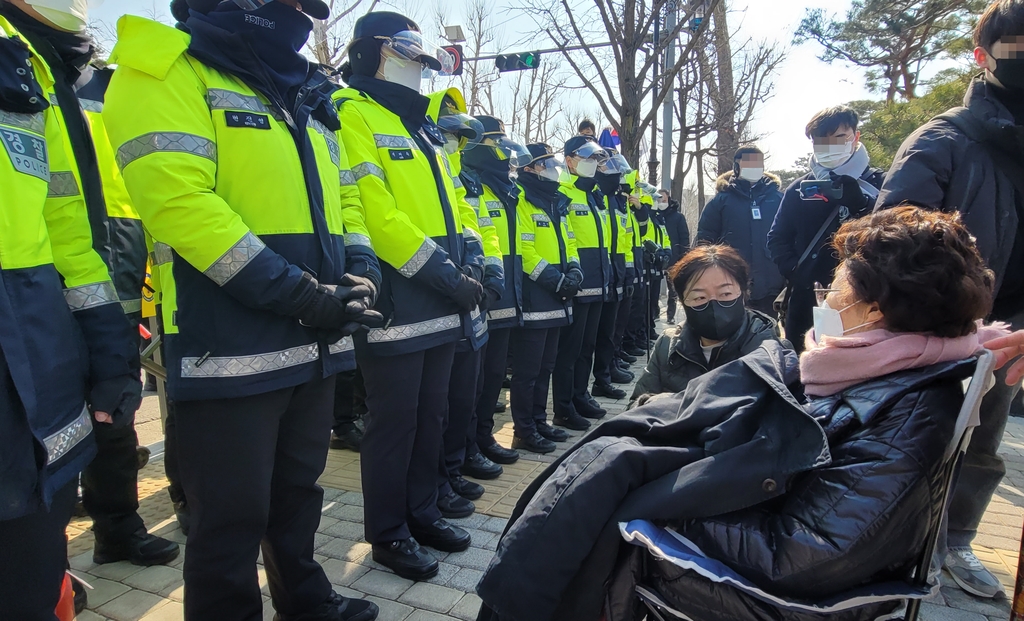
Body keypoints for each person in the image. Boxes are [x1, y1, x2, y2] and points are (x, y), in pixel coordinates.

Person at [477, 206, 1005, 621]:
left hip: (781, 594)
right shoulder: (875, 368)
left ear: (877, 308)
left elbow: (808, 552)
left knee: (606, 505)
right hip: (770, 533)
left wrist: (671, 508)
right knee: (609, 464)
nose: (827, 295)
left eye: (839, 285)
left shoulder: (911, 412)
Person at [104, 1, 383, 619]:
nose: (301, 16)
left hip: (313, 340)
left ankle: (304, 600)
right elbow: (181, 205)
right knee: (228, 521)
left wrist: (360, 263)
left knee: (296, 497)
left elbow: (343, 196)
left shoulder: (307, 91)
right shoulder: (167, 70)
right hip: (227, 347)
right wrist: (302, 295)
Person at [0, 0, 182, 569]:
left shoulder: (101, 85)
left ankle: (116, 529)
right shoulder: (31, 70)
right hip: (49, 277)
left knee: (113, 419)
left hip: (114, 273)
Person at [872, 0, 1024, 599]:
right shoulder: (944, 139)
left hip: (1015, 329)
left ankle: (955, 537)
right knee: (926, 434)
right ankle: (902, 541)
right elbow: (891, 234)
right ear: (982, 56)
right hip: (944, 325)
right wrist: (945, 313)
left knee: (985, 438)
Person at [334, 11, 485, 581]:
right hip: (401, 295)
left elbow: (456, 207)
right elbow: (377, 211)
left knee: (432, 414)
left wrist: (473, 260)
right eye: (407, 52)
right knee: (393, 422)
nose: (420, 65)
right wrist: (443, 272)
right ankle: (389, 532)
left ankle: (422, 512)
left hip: (443, 296)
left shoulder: (422, 128)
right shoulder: (353, 113)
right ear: (375, 51)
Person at [767, 105, 883, 353]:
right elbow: (777, 237)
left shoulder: (880, 184)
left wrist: (862, 205)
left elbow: (893, 235)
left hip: (867, 298)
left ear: (856, 137)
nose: (830, 146)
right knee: (804, 365)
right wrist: (796, 271)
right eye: (822, 141)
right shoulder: (801, 188)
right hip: (809, 299)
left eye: (839, 138)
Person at [630, 245, 785, 402]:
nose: (713, 306)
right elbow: (633, 411)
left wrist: (676, 406)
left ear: (743, 293)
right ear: (683, 301)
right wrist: (649, 402)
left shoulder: (771, 350)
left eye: (725, 294)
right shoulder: (668, 345)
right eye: (700, 297)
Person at [460, 114, 526, 472]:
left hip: (502, 294)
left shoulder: (508, 189)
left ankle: (482, 437)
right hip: (475, 295)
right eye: (493, 144)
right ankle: (467, 445)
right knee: (473, 382)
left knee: (492, 377)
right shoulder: (471, 184)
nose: (502, 152)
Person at [511, 143, 580, 454]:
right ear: (529, 168)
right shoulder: (522, 201)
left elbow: (570, 241)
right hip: (537, 297)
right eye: (544, 164)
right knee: (528, 370)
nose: (552, 168)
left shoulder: (556, 203)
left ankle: (539, 420)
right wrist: (556, 280)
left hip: (559, 298)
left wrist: (575, 271)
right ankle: (524, 429)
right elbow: (526, 252)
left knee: (546, 366)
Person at [553, 135, 612, 431]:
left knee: (587, 346)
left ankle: (580, 395)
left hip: (597, 281)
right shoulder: (562, 192)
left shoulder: (594, 194)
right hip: (576, 284)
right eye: (587, 159)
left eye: (595, 160)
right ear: (570, 160)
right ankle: (563, 407)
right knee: (569, 351)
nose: (593, 165)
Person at [696, 146, 785, 316]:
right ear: (736, 166)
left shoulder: (778, 199)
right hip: (730, 283)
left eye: (758, 162)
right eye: (748, 162)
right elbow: (705, 240)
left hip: (770, 285)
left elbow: (789, 238)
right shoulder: (721, 201)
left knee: (766, 334)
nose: (754, 167)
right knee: (732, 334)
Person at [592, 151, 636, 400]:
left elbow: (626, 238)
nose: (616, 174)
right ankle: (602, 375)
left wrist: (628, 270)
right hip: (601, 271)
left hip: (618, 269)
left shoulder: (619, 201)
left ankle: (608, 371)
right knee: (598, 333)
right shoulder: (596, 197)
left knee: (613, 328)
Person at [661, 192, 690, 323]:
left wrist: (683, 256)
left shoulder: (678, 217)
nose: (661, 202)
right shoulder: (653, 216)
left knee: (672, 289)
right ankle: (654, 313)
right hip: (655, 257)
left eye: (664, 199)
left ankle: (670, 315)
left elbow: (684, 238)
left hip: (674, 257)